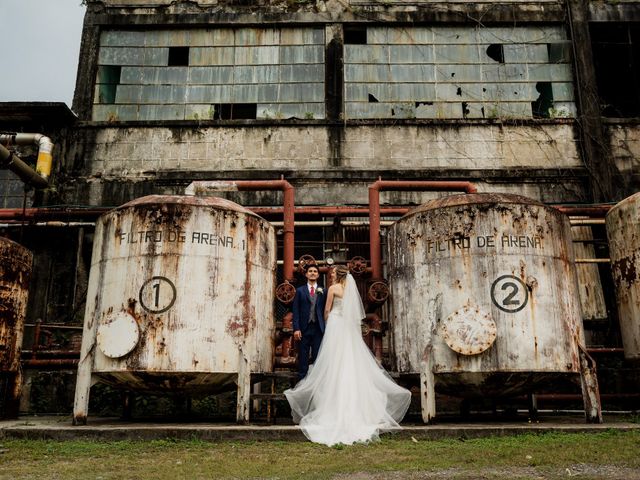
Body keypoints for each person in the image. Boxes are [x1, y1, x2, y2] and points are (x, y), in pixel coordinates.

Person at [285, 265, 412, 447]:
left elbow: (327, 311)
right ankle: (359, 408)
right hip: (348, 329)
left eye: (334, 274)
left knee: (332, 363)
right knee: (350, 362)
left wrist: (328, 326)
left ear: (338, 275)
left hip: (336, 325)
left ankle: (329, 406)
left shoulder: (333, 289)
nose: (332, 276)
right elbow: (355, 314)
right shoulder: (351, 291)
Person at [292, 264, 326, 380]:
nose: (312, 273)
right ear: (306, 274)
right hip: (303, 329)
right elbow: (295, 311)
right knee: (303, 357)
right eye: (310, 271)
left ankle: (316, 383)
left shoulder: (323, 290)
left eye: (315, 271)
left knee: (318, 356)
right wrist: (296, 328)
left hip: (318, 328)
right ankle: (302, 383)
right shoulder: (300, 291)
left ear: (318, 275)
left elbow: (326, 310)